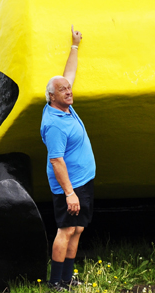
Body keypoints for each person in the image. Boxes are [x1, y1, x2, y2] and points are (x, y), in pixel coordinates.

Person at [41, 25, 95, 290]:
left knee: (77, 229)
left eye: (69, 88)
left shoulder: (63, 107)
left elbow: (68, 74)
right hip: (70, 185)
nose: (69, 90)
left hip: (82, 181)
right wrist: (69, 193)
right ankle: (55, 283)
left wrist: (74, 46)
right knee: (65, 230)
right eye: (63, 90)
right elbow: (56, 161)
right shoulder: (55, 124)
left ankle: (67, 278)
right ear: (52, 96)